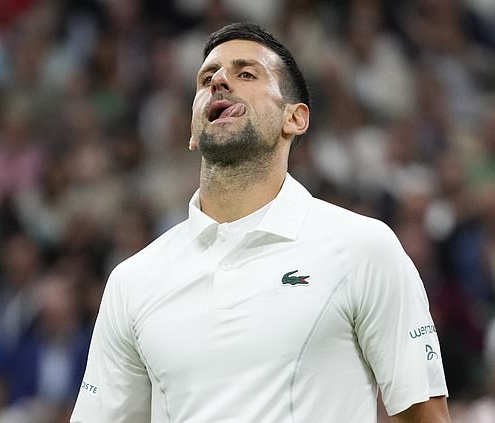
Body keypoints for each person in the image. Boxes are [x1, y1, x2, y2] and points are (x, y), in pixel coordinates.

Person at [71, 22, 450, 423]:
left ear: (295, 118)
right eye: (206, 78)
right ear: (193, 130)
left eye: (246, 73)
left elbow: (425, 415)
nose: (218, 80)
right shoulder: (132, 281)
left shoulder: (362, 248)